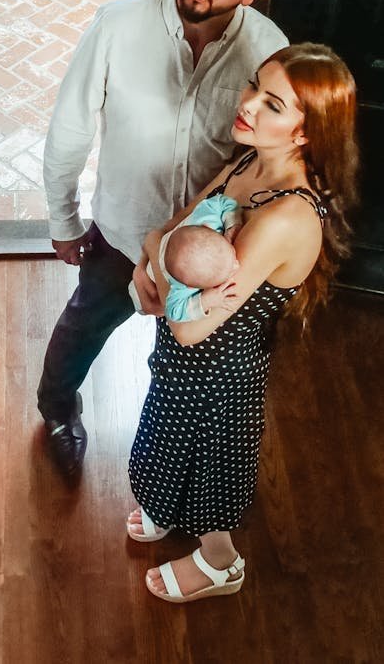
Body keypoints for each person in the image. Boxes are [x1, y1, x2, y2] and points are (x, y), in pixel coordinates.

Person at [39, 0, 288, 479]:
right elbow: (69, 131)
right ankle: (55, 410)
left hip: (213, 254)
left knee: (185, 360)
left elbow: (271, 154)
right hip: (123, 234)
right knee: (80, 328)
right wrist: (63, 220)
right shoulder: (117, 25)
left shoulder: (271, 51)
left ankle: (170, 459)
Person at [127, 44, 358, 603]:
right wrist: (157, 252)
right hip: (185, 359)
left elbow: (190, 326)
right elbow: (171, 230)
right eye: (256, 86)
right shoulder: (248, 161)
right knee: (166, 438)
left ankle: (219, 562)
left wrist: (156, 253)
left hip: (219, 374)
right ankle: (166, 505)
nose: (249, 105)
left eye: (272, 104)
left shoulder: (285, 217)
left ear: (305, 133)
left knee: (210, 469)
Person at [140, 193, 241, 323]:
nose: (236, 265)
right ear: (190, 287)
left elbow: (221, 201)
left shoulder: (207, 217)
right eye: (228, 274)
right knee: (138, 299)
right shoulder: (181, 287)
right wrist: (207, 300)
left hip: (156, 245)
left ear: (207, 227)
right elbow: (173, 312)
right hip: (149, 278)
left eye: (231, 251)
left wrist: (233, 224)